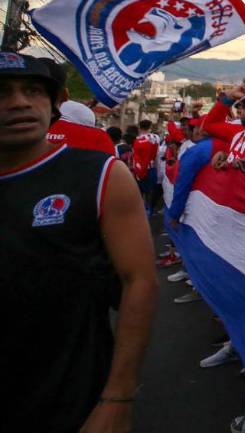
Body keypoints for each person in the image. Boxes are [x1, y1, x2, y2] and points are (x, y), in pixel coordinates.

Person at [0, 51, 158, 433]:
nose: (19, 102)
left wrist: (117, 398)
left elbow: (138, 283)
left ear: (55, 102)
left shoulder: (100, 175)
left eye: (33, 90)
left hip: (68, 396)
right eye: (2, 92)